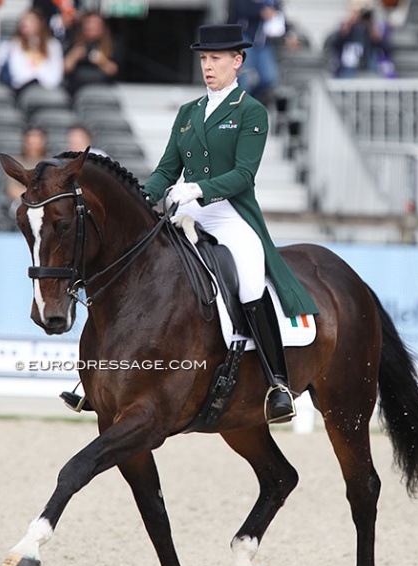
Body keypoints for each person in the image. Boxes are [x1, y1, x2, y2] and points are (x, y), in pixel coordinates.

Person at [143, 24, 318, 424]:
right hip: (188, 211)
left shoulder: (250, 111)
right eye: (204, 59)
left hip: (230, 214)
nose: (208, 66)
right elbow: (166, 170)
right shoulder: (188, 113)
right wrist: (140, 195)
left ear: (237, 62)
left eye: (216, 59)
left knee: (252, 281)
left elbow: (243, 175)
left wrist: (197, 189)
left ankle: (278, 383)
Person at [0, 8, 64, 95]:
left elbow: (56, 73)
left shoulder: (53, 45)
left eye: (30, 20)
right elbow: (14, 71)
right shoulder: (11, 45)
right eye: (23, 20)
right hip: (20, 88)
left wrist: (41, 80)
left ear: (39, 23)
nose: (25, 23)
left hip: (47, 87)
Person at [228, 0, 283, 105]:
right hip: (244, 38)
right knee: (244, 77)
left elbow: (279, 15)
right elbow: (240, 9)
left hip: (263, 42)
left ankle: (249, 100)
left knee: (269, 77)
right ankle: (239, 106)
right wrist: (260, 10)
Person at [329, 2, 395, 78]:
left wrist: (372, 26)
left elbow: (387, 48)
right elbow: (335, 45)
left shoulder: (378, 26)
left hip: (372, 63)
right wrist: (349, 23)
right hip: (349, 65)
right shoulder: (346, 26)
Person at [63, 11, 119, 96]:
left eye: (96, 25)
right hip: (77, 90)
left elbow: (114, 70)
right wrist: (74, 55)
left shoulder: (111, 46)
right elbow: (65, 69)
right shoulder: (74, 43)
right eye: (89, 24)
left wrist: (102, 61)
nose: (92, 27)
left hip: (102, 90)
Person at [5, 126, 48, 220]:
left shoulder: (50, 163)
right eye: (31, 140)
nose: (34, 144)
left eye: (37, 140)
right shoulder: (16, 162)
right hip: (21, 202)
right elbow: (12, 189)